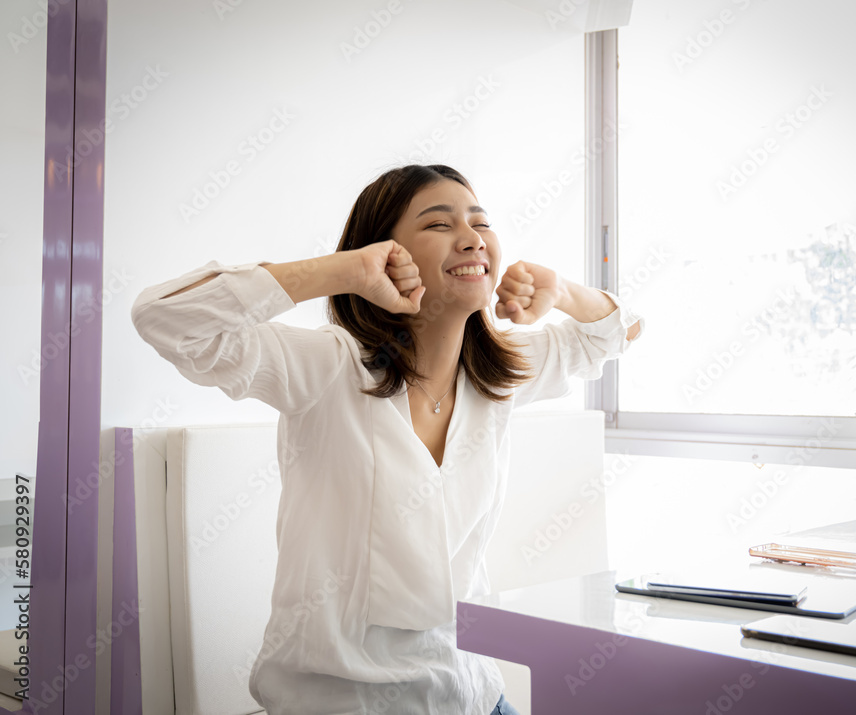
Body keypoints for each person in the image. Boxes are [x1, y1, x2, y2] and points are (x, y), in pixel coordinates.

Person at [131, 163, 644, 714]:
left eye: (480, 221)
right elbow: (165, 317)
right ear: (383, 252)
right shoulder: (327, 367)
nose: (472, 238)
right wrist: (338, 272)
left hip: (472, 692)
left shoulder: (501, 376)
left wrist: (562, 291)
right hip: (340, 701)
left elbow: (618, 331)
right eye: (439, 225)